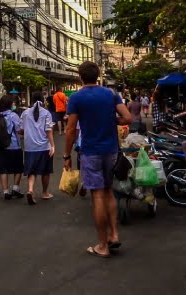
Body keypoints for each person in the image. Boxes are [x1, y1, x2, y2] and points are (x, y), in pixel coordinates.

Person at [64, 62, 132, 258]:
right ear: (98, 75)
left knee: (97, 196)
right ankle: (115, 235)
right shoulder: (111, 94)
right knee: (109, 191)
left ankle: (103, 245)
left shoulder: (76, 98)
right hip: (111, 151)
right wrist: (113, 121)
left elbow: (70, 130)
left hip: (90, 152)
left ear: (80, 77)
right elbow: (127, 118)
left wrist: (67, 155)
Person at [0, 94, 24, 199]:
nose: (14, 104)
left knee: (3, 169)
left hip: (2, 146)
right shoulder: (13, 116)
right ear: (10, 104)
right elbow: (19, 130)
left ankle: (6, 191)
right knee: (18, 168)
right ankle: (15, 188)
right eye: (13, 103)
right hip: (14, 146)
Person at [20, 92, 55, 205]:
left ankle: (30, 190)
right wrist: (53, 145)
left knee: (32, 170)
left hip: (29, 147)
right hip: (44, 146)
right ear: (42, 100)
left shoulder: (25, 113)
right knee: (45, 171)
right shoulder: (46, 113)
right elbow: (48, 130)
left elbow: (21, 129)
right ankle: (44, 193)